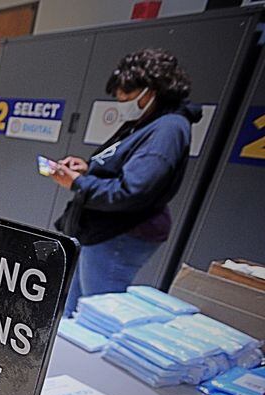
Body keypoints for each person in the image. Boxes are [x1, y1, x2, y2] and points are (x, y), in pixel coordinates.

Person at [51, 48, 201, 317]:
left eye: (128, 96)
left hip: (120, 232)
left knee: (97, 314)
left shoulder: (168, 129)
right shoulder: (146, 123)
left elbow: (132, 190)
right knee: (73, 307)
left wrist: (78, 183)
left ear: (151, 89)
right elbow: (123, 167)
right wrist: (88, 169)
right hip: (100, 229)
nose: (123, 102)